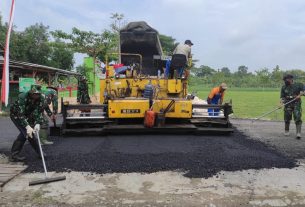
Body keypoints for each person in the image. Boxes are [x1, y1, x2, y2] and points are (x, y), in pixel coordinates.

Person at [9, 84, 46, 162]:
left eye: (38, 94)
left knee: (29, 134)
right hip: (16, 115)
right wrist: (27, 126)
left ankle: (40, 153)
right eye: (35, 94)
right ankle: (14, 155)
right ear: (31, 93)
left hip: (29, 115)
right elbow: (20, 114)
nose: (36, 96)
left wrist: (38, 123)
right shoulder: (22, 97)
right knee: (26, 133)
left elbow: (39, 112)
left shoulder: (41, 98)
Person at [280, 74, 304, 139]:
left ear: (291, 79)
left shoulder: (299, 85)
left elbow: (303, 92)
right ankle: (286, 130)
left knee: (297, 117)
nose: (285, 81)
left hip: (297, 103)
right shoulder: (284, 87)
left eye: (286, 80)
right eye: (284, 80)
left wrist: (301, 94)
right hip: (287, 103)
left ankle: (298, 133)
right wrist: (281, 103)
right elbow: (282, 97)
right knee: (287, 117)